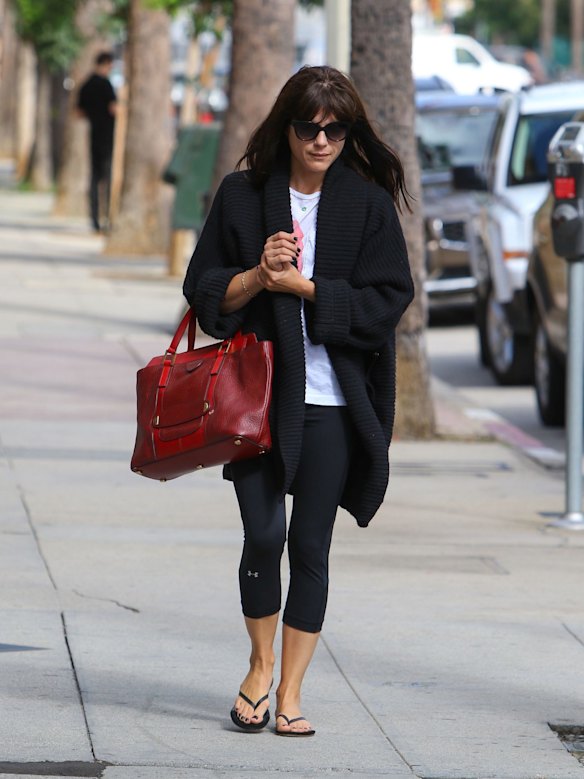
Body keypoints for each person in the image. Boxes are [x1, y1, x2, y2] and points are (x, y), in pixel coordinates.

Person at [182, 65, 414, 737]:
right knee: (264, 535)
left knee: (311, 546)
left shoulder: (366, 204)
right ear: (287, 127)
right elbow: (203, 293)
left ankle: (290, 691)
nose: (321, 139)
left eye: (335, 129)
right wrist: (259, 273)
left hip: (333, 405)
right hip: (257, 401)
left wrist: (305, 288)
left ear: (348, 132)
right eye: (309, 127)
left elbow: (387, 300)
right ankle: (259, 666)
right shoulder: (243, 195)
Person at [77, 51, 117, 233]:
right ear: (106, 64)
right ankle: (108, 216)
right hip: (108, 136)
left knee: (94, 178)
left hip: (94, 134)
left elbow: (79, 112)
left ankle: (94, 218)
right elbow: (114, 108)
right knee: (107, 178)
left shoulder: (86, 85)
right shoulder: (106, 85)